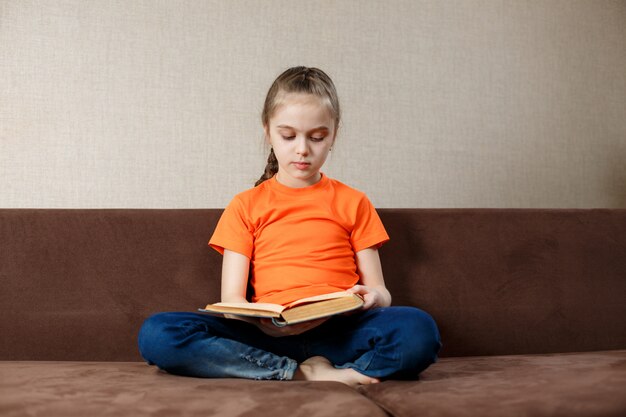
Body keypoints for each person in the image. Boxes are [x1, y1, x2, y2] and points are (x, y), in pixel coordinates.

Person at [138, 66, 442, 387]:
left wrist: (372, 297)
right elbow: (232, 301)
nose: (302, 149)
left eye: (317, 137)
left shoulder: (354, 201)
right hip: (267, 335)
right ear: (268, 131)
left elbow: (381, 291)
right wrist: (262, 320)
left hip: (340, 332)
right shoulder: (245, 205)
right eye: (288, 136)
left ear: (333, 134)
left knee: (418, 330)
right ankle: (300, 372)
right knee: (158, 334)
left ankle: (312, 366)